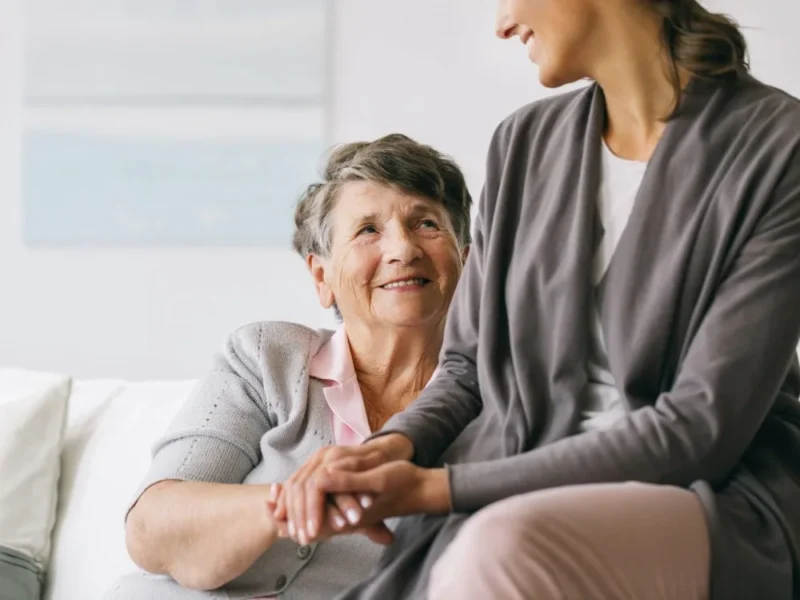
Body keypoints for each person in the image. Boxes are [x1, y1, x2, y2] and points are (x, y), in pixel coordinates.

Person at [275, 1, 800, 599]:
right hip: (510, 485)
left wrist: (433, 489)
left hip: (707, 497)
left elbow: (699, 430)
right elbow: (468, 369)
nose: (502, 23)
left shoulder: (776, 145)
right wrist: (391, 449)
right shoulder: (524, 143)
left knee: (499, 548)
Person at [104, 133, 472, 599]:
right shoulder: (266, 357)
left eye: (426, 224)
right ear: (322, 276)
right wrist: (294, 503)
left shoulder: (502, 400)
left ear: (468, 262)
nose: (403, 249)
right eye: (367, 230)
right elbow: (150, 529)